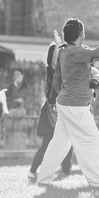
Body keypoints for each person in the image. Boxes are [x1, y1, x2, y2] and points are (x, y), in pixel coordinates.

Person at [36, 16, 99, 186]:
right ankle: (95, 181)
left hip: (67, 103)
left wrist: (91, 82)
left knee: (59, 144)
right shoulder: (76, 51)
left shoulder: (67, 50)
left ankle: (43, 179)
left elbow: (79, 72)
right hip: (75, 106)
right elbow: (96, 55)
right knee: (92, 141)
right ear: (81, 33)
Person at [29, 42, 73, 178]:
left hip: (63, 110)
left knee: (67, 142)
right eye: (58, 53)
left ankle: (65, 171)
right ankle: (33, 171)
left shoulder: (65, 71)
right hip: (51, 112)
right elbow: (54, 65)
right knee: (47, 144)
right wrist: (58, 46)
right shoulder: (51, 71)